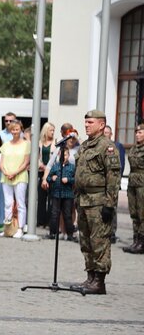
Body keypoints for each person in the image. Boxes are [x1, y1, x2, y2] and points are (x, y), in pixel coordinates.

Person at [71, 110, 121, 295]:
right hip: (83, 200)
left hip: (99, 202)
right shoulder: (85, 146)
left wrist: (109, 205)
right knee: (85, 240)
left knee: (99, 241)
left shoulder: (107, 147)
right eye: (85, 122)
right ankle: (90, 276)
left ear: (101, 125)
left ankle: (99, 282)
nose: (86, 125)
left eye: (90, 122)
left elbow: (113, 178)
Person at [0, 120, 30, 239]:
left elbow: (26, 162)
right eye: (13, 129)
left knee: (20, 203)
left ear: (21, 129)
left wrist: (14, 173)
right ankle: (8, 228)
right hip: (6, 176)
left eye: (17, 129)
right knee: (8, 203)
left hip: (20, 176)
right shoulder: (6, 144)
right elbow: (1, 162)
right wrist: (6, 172)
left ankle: (20, 228)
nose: (15, 131)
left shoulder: (26, 144)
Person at [46, 148, 76, 241]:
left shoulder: (72, 167)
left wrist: (69, 180)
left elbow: (76, 179)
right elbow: (48, 178)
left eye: (66, 155)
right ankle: (52, 233)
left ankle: (70, 234)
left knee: (67, 215)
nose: (64, 157)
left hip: (67, 195)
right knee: (54, 214)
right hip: (56, 194)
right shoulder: (55, 166)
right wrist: (52, 178)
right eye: (62, 155)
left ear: (69, 156)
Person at [122, 124, 144, 255]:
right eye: (136, 132)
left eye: (140, 132)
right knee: (134, 213)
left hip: (142, 183)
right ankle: (136, 240)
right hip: (132, 182)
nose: (137, 134)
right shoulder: (134, 148)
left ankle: (142, 241)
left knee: (142, 214)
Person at [104, 125, 125, 244]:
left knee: (112, 207)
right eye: (104, 132)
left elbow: (120, 166)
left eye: (107, 132)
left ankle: (112, 232)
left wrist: (117, 182)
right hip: (102, 185)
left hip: (113, 184)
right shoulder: (101, 147)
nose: (105, 134)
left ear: (111, 134)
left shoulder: (117, 146)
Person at [37, 122, 56, 228]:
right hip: (41, 171)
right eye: (50, 130)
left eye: (53, 130)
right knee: (41, 197)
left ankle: (50, 221)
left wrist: (49, 168)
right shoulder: (39, 143)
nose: (52, 132)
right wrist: (42, 165)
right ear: (45, 130)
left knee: (52, 198)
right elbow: (36, 156)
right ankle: (41, 220)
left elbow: (56, 158)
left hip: (52, 173)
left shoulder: (56, 142)